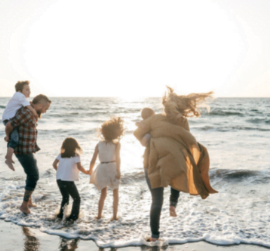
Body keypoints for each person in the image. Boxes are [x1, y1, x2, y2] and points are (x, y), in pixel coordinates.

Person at [134, 87, 218, 242]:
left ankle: (154, 236)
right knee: (177, 172)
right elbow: (186, 141)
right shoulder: (182, 121)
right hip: (173, 160)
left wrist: (146, 135)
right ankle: (173, 203)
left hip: (152, 161)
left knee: (156, 200)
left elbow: (140, 134)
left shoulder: (156, 118)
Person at [4, 94, 52, 214]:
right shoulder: (27, 112)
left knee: (31, 174)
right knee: (34, 176)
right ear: (40, 105)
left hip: (27, 149)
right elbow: (10, 124)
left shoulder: (31, 112)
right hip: (23, 149)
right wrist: (8, 137)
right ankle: (24, 205)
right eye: (45, 109)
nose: (45, 111)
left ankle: (28, 202)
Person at [139, 107, 180, 217]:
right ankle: (173, 204)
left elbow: (143, 141)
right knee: (176, 179)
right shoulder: (157, 127)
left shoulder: (144, 129)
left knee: (156, 199)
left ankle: (154, 233)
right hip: (164, 160)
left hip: (149, 163)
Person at [89, 117, 124, 220]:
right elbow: (118, 158)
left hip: (102, 168)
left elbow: (93, 160)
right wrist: (118, 171)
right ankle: (114, 216)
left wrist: (90, 170)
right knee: (115, 193)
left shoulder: (99, 144)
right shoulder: (117, 144)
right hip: (112, 168)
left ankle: (99, 215)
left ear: (103, 133)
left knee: (103, 194)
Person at [2, 81, 38, 171]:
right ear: (19, 90)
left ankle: (8, 155)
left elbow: (26, 104)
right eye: (26, 90)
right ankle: (8, 159)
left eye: (29, 90)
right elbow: (28, 106)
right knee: (15, 139)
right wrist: (35, 112)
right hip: (8, 119)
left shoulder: (19, 97)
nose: (29, 92)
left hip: (8, 118)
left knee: (13, 138)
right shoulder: (19, 95)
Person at [52, 137, 90, 221]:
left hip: (59, 179)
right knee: (77, 199)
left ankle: (61, 215)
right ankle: (73, 217)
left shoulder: (61, 154)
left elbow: (54, 164)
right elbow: (79, 167)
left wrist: (61, 171)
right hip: (68, 181)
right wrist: (87, 172)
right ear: (75, 146)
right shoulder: (75, 155)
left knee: (65, 197)